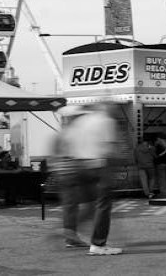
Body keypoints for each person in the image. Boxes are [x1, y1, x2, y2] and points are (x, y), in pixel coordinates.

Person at [54, 103, 123, 255]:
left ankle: (70, 232)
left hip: (80, 167)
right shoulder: (106, 121)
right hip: (96, 166)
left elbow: (65, 151)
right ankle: (95, 243)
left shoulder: (79, 125)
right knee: (100, 205)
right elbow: (110, 148)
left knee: (86, 205)